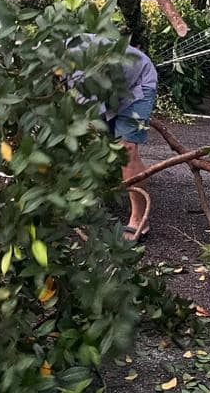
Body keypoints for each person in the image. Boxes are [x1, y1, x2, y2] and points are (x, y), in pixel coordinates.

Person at [68, 34, 158, 241]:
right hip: (110, 89)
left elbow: (87, 118)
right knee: (102, 145)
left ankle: (138, 220)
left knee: (126, 149)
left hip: (138, 84)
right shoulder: (48, 55)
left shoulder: (81, 67)